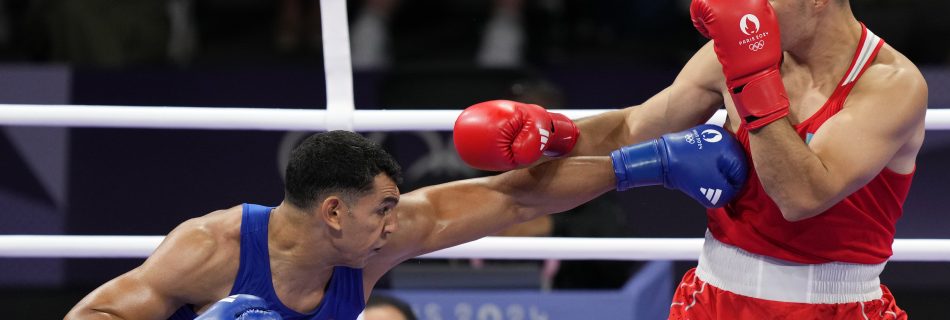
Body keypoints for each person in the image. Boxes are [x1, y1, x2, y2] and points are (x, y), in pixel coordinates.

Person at [453, 0, 928, 318]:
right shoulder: (737, 53)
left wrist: (751, 81)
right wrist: (554, 135)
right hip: (712, 297)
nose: (747, 10)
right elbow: (635, 126)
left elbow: (801, 197)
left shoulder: (891, 85)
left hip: (832, 307)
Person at [65, 128, 745, 319]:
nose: (396, 225)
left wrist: (641, 164)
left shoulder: (374, 245)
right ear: (334, 212)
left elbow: (511, 199)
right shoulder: (209, 248)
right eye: (383, 209)